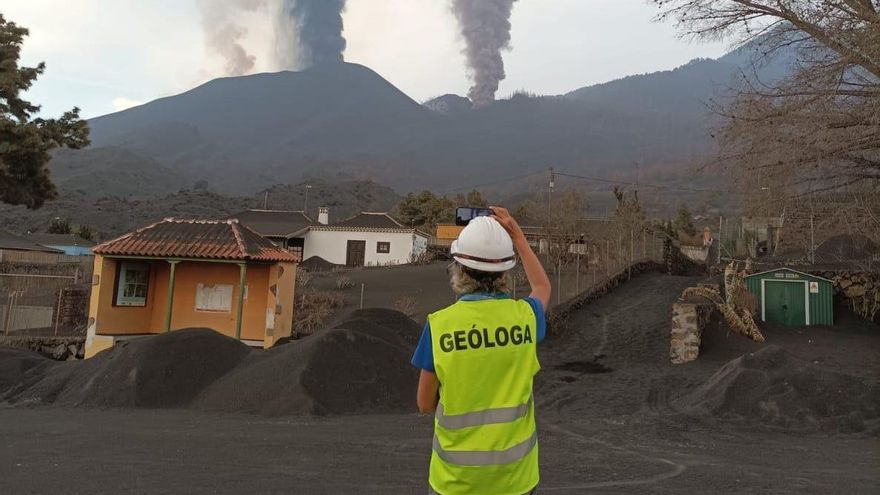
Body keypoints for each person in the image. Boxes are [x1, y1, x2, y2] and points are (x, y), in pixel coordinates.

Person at [411, 206, 551, 495]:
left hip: (455, 481)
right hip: (516, 480)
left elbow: (424, 404)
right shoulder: (524, 318)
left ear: (459, 268)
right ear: (505, 271)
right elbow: (542, 286)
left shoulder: (439, 327)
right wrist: (519, 237)